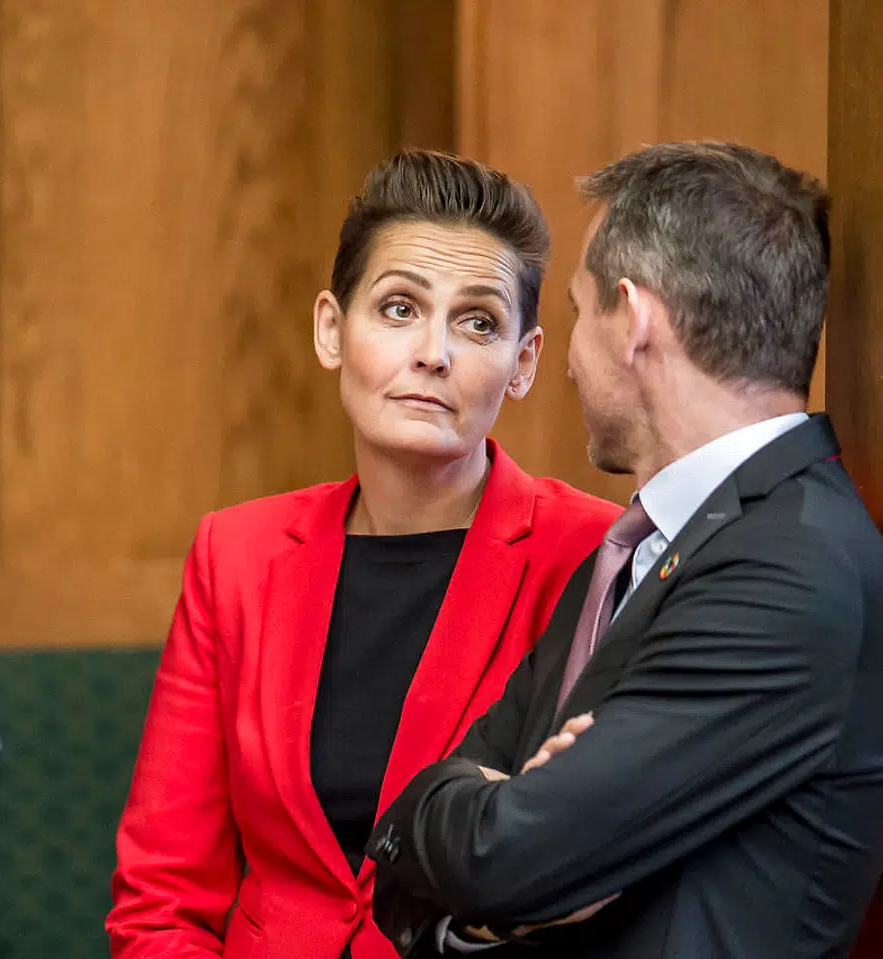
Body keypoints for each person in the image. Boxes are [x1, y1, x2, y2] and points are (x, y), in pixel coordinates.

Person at [367, 142, 883, 957]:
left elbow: (506, 854)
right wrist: (479, 851)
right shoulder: (633, 550)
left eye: (577, 315)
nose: (569, 363)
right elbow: (414, 869)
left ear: (635, 319)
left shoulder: (791, 566)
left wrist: (489, 831)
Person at [107, 150, 621, 959]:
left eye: (478, 321)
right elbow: (162, 897)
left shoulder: (594, 553)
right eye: (398, 308)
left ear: (523, 363)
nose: (434, 353)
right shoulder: (234, 554)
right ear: (329, 330)